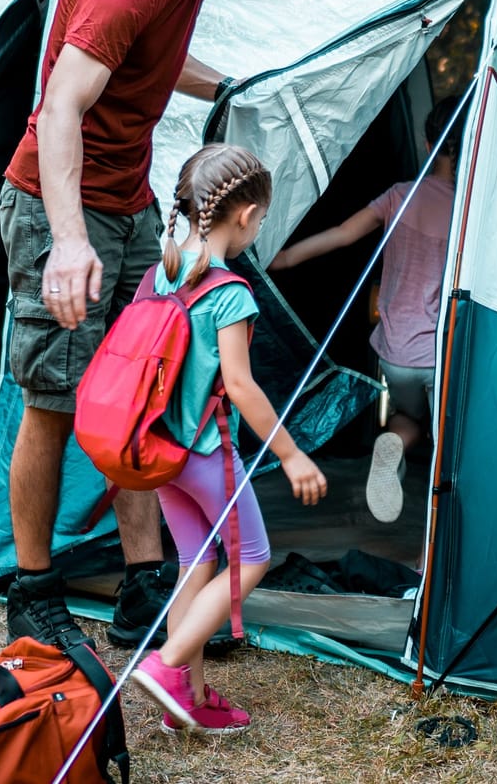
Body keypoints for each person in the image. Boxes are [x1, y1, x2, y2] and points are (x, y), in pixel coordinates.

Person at [0, 0, 314, 649]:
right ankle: (30, 589)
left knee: (141, 382)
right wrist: (68, 243)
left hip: (130, 204)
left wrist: (232, 88)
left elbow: (152, 61)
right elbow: (63, 107)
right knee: (54, 398)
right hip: (56, 204)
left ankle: (145, 584)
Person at [130, 144, 327, 736]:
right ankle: (168, 670)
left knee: (196, 558)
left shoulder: (159, 271)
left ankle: (184, 697)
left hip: (158, 449)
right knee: (253, 557)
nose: (258, 230)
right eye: (262, 219)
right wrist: (291, 454)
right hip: (207, 452)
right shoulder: (230, 291)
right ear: (244, 215)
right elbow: (239, 385)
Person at [268, 94, 462, 524]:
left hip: (395, 353)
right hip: (440, 354)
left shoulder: (398, 196)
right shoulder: (469, 212)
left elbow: (340, 234)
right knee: (450, 453)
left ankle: (390, 443)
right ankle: (431, 548)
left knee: (408, 418)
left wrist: (282, 259)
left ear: (429, 144)